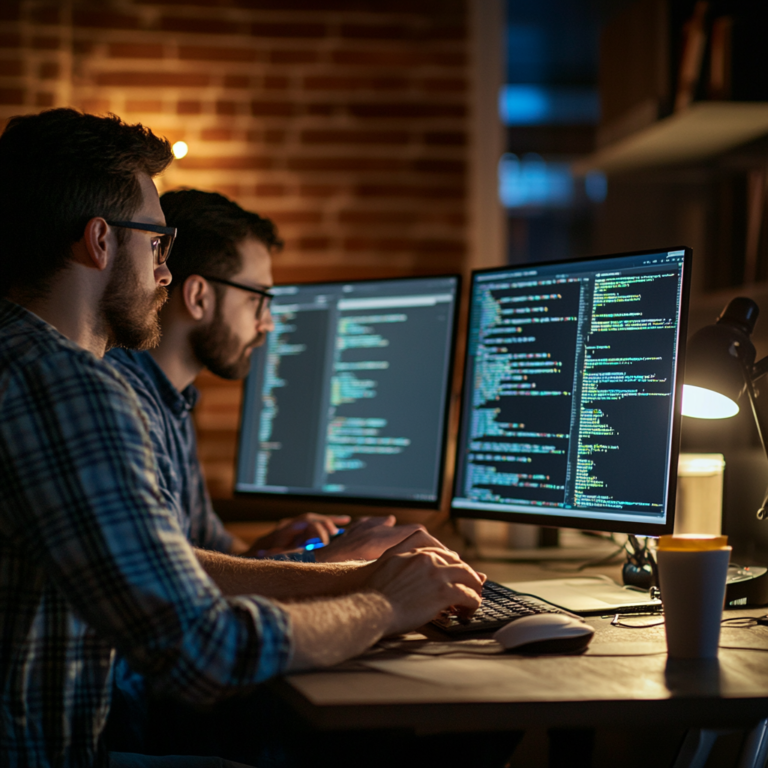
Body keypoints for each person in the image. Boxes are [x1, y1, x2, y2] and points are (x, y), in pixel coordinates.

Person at [0, 108, 484, 768]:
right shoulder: (70, 390)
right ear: (100, 241)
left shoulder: (23, 362)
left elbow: (169, 569)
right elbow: (206, 651)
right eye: (156, 245)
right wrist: (382, 601)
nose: (164, 274)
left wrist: (330, 572)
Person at [104, 189, 436, 753]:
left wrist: (270, 547)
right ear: (200, 296)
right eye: (260, 299)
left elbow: (202, 547)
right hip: (151, 715)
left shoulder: (173, 401)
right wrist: (332, 569)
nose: (269, 324)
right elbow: (177, 579)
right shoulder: (123, 403)